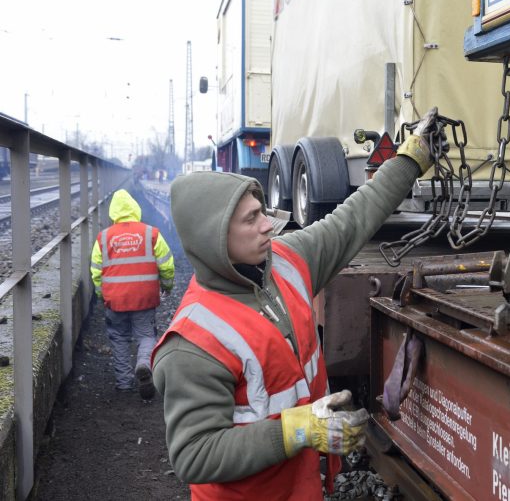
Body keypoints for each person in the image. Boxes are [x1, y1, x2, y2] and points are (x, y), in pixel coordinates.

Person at [151, 108, 443, 500]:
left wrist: (409, 160)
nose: (267, 226)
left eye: (262, 214)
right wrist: (296, 430)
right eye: (251, 220)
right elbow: (194, 454)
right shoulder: (192, 343)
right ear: (215, 239)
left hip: (301, 488)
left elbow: (352, 220)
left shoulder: (285, 262)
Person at [90, 188, 175, 399]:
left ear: (113, 213)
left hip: (115, 300)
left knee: (119, 338)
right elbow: (167, 265)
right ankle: (144, 364)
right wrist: (167, 286)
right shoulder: (151, 233)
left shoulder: (103, 238)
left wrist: (103, 296)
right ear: (135, 209)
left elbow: (96, 272)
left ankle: (124, 383)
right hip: (144, 298)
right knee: (146, 335)